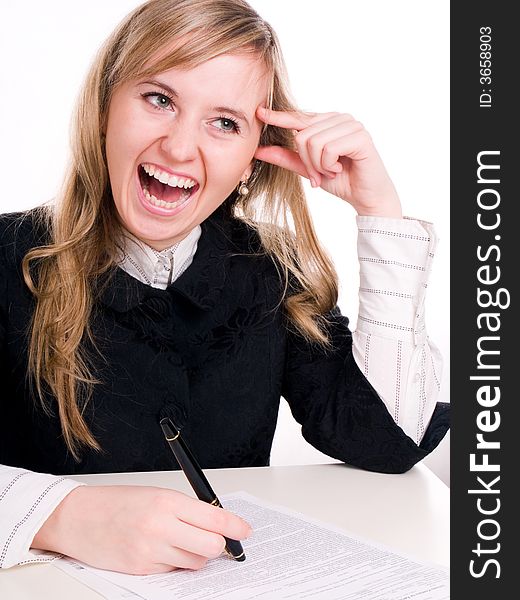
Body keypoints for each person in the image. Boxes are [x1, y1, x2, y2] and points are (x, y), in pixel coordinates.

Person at [0, 0, 449, 576]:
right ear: (105, 109)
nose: (180, 148)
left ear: (250, 162)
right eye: (159, 99)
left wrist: (379, 211)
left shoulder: (271, 274)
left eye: (225, 123)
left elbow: (389, 442)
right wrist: (61, 516)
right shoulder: (11, 256)